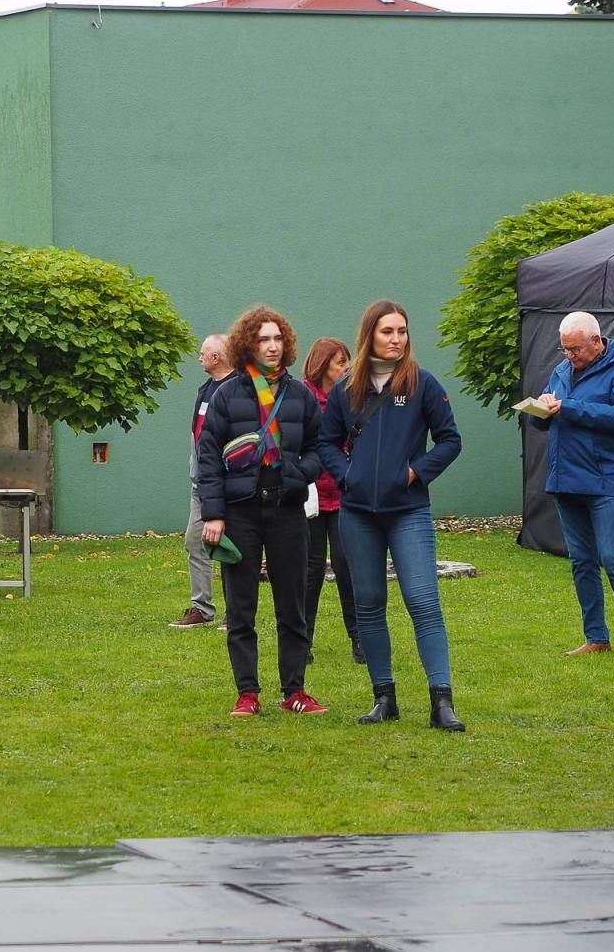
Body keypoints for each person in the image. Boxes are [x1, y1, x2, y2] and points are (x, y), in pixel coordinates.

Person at [318, 300, 464, 731]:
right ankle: (384, 698)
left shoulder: (422, 384)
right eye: (388, 331)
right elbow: (326, 441)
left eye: (402, 331)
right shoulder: (346, 388)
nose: (397, 339)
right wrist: (348, 477)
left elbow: (450, 440)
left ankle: (442, 703)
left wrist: (416, 471)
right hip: (358, 514)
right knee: (369, 605)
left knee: (423, 602)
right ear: (370, 336)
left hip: (408, 512)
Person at [197, 305, 327, 718]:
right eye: (262, 339)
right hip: (240, 513)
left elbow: (321, 449)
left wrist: (296, 473)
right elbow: (208, 458)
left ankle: (294, 692)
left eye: (277, 339)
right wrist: (213, 515)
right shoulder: (227, 394)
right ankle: (247, 694)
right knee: (241, 607)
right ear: (248, 345)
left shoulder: (301, 395)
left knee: (292, 603)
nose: (271, 347)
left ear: (286, 344)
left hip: (287, 509)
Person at [532, 312, 614, 660]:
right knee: (581, 562)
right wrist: (540, 412)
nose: (569, 356)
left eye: (575, 349)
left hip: (603, 480)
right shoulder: (560, 371)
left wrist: (568, 408)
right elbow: (550, 420)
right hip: (564, 480)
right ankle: (596, 637)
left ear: (596, 342)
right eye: (564, 349)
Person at [301, 337, 363, 663]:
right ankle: (303, 642)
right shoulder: (301, 397)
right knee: (309, 571)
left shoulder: (350, 398)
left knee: (346, 565)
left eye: (346, 361)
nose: (346, 368)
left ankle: (359, 639)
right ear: (323, 364)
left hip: (342, 494)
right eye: (340, 362)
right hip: (310, 498)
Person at [170, 334, 233, 629]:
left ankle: (236, 612)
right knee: (195, 541)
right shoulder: (205, 389)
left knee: (234, 547)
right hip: (201, 482)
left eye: (203, 352)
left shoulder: (237, 390)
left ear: (217, 358)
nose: (199, 357)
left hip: (229, 484)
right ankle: (202, 608)